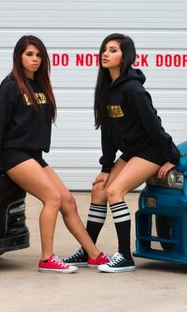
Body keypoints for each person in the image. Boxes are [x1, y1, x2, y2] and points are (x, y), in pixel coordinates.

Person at [0, 35, 110, 273]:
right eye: (29, 54)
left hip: (34, 155)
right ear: (19, 56)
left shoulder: (40, 86)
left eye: (39, 55)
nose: (35, 59)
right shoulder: (10, 86)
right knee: (53, 198)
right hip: (14, 154)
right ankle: (47, 258)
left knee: (68, 201)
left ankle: (93, 254)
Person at [64, 33, 180, 273]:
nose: (106, 53)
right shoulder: (106, 89)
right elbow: (107, 133)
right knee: (99, 189)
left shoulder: (133, 89)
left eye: (113, 50)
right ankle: (88, 250)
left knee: (115, 192)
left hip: (151, 151)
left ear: (125, 56)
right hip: (132, 151)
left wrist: (172, 157)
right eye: (105, 49)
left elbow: (153, 125)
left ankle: (125, 256)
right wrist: (106, 167)